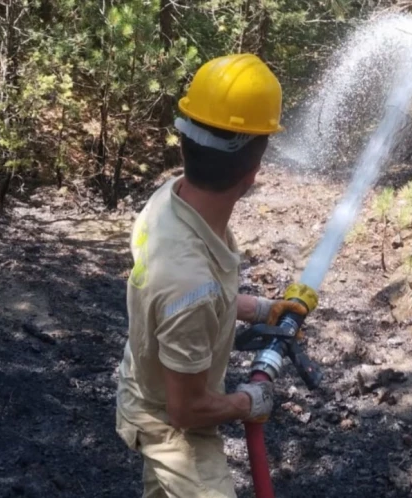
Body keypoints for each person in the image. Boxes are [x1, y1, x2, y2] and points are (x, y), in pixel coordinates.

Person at [115, 53, 308, 498]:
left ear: (186, 143)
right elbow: (187, 410)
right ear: (252, 174)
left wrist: (259, 308)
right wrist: (248, 401)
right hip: (170, 423)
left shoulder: (170, 202)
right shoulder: (191, 285)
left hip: (145, 381)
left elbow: (184, 298)